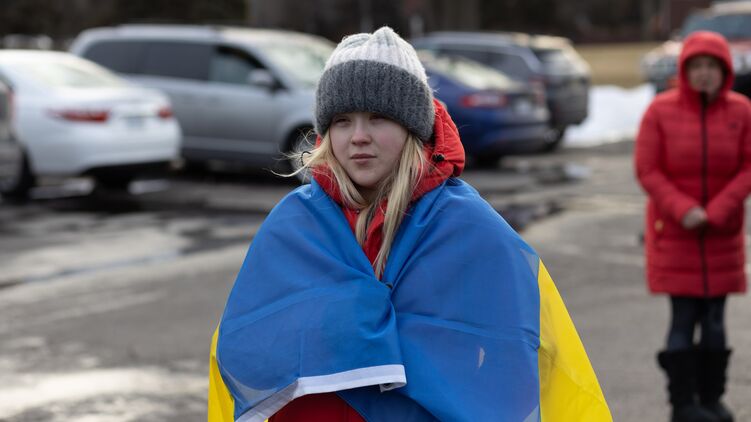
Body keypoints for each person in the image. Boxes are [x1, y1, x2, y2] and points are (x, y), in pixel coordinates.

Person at [208, 26, 611, 422]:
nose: (359, 136)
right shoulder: (294, 226)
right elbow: (242, 346)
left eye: (378, 117)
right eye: (343, 120)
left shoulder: (468, 227)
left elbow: (523, 356)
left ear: (411, 126)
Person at [635, 31, 751, 422]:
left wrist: (717, 210)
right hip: (676, 234)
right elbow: (648, 169)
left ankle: (712, 398)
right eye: (696, 66)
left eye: (711, 66)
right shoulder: (659, 111)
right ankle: (683, 404)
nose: (704, 73)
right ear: (685, 70)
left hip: (722, 234)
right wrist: (684, 209)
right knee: (683, 319)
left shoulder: (742, 112)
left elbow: (748, 167)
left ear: (725, 71)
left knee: (716, 322)